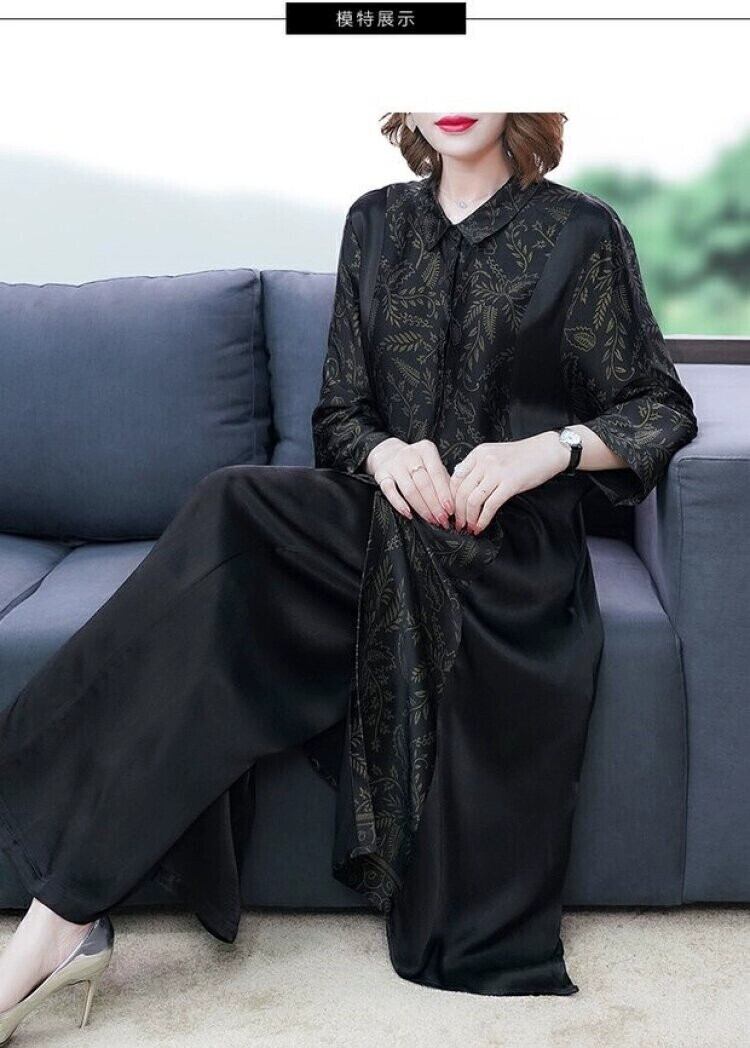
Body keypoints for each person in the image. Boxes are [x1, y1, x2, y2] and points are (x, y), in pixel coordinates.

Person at [0, 111, 699, 1036]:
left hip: (506, 559)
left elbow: (658, 406)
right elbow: (339, 415)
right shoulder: (375, 221)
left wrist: (544, 452)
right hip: (379, 529)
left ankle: (63, 915)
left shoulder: (582, 229)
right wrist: (384, 454)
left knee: (232, 574)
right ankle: (58, 923)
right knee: (234, 519)